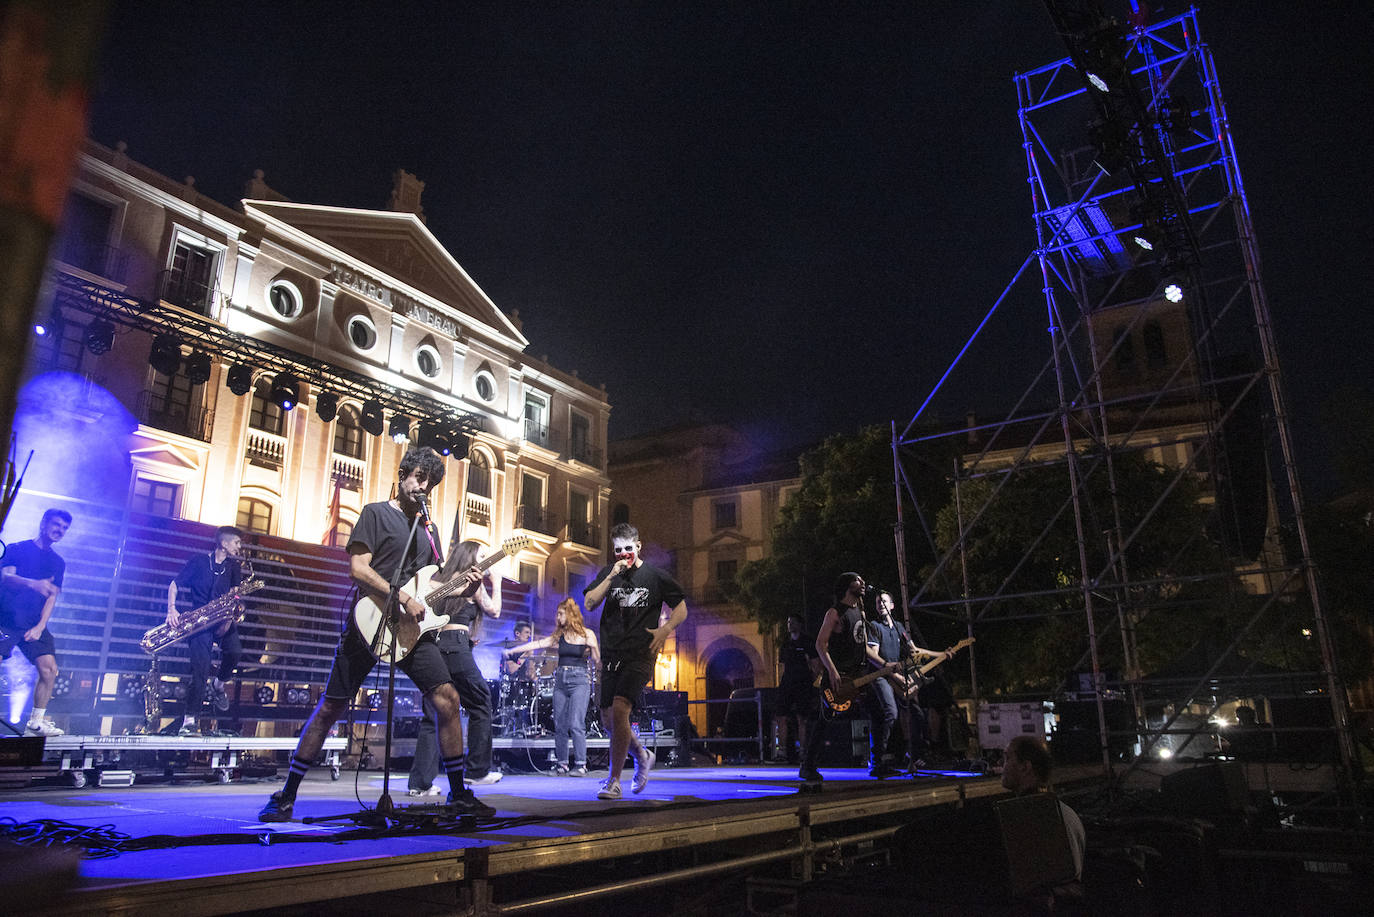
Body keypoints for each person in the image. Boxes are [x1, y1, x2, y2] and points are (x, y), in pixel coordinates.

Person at [259, 446, 494, 821]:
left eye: (430, 482)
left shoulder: (427, 530)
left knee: (448, 700)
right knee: (332, 706)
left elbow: (429, 589)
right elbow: (358, 569)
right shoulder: (374, 514)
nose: (423, 486)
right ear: (402, 475)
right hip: (369, 620)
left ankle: (459, 794)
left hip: (410, 629)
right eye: (419, 477)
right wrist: (399, 595)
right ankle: (286, 794)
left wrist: (463, 590)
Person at [583, 523, 687, 800]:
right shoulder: (610, 573)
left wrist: (665, 630)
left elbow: (682, 608)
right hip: (611, 654)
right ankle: (642, 755)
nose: (624, 554)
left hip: (641, 653)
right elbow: (590, 603)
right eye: (618, 550)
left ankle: (613, 781)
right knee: (608, 719)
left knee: (619, 710)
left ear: (638, 546)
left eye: (628, 549)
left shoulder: (655, 576)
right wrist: (611, 576)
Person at [408, 539, 503, 796]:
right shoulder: (471, 581)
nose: (486, 558)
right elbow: (494, 610)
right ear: (472, 557)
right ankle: (477, 771)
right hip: (456, 647)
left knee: (434, 713)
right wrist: (498, 582)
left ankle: (420, 784)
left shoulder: (440, 578)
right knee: (481, 702)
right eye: (483, 554)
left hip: (435, 646)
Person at [798, 572, 898, 783]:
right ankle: (807, 766)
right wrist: (833, 672)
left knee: (878, 713)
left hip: (860, 676)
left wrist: (884, 664)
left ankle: (878, 763)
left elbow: (864, 648)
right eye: (857, 580)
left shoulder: (860, 612)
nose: (862, 584)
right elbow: (820, 644)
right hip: (838, 677)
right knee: (825, 719)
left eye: (862, 581)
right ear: (846, 585)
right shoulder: (834, 613)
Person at [503, 597, 600, 775]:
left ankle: (580, 764)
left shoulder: (587, 634)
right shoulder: (559, 636)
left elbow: (597, 661)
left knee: (576, 723)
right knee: (560, 724)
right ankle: (562, 764)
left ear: (570, 614)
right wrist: (512, 650)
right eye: (557, 614)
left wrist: (594, 648)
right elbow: (537, 644)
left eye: (560, 614)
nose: (557, 617)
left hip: (579, 680)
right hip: (561, 680)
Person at [166, 525, 245, 735]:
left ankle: (219, 685)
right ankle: (190, 719)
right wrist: (171, 610)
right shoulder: (199, 562)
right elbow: (174, 584)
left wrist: (230, 618)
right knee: (200, 671)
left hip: (223, 619)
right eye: (236, 542)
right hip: (200, 624)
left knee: (235, 652)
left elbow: (234, 595)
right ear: (224, 543)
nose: (239, 547)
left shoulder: (234, 567)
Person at [0, 508, 72, 736]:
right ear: (44, 523)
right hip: (6, 617)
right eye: (56, 524)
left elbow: (52, 597)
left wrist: (41, 627)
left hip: (33, 622)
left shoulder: (58, 562)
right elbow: (6, 577)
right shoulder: (17, 548)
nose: (59, 530)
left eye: (64, 528)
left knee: (49, 669)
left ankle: (36, 723)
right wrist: (34, 584)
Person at [866, 589, 952, 773]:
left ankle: (912, 757)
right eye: (878, 602)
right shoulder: (874, 626)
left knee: (918, 715)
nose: (880, 604)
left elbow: (915, 650)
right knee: (891, 713)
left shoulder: (898, 627)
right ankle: (877, 761)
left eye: (884, 601)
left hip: (898, 676)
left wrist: (942, 655)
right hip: (882, 676)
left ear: (892, 605)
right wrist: (894, 675)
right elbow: (873, 656)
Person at [1001, 735, 1086, 881]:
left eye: (1007, 758)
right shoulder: (1066, 812)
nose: (1001, 765)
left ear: (1025, 767)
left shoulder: (1027, 817)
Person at [775, 615, 820, 764]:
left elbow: (815, 665)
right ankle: (781, 752)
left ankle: (803, 752)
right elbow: (781, 667)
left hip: (803, 684)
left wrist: (814, 683)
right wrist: (780, 684)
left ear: (800, 624)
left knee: (802, 718)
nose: (790, 624)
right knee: (781, 717)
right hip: (787, 684)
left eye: (793, 622)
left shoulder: (808, 642)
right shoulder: (785, 645)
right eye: (788, 622)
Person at [500, 619, 538, 734]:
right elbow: (511, 670)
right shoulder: (509, 650)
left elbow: (530, 674)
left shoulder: (528, 650)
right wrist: (525, 655)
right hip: (511, 688)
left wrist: (537, 681)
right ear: (517, 633)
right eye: (526, 632)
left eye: (529, 633)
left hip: (524, 687)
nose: (529, 635)